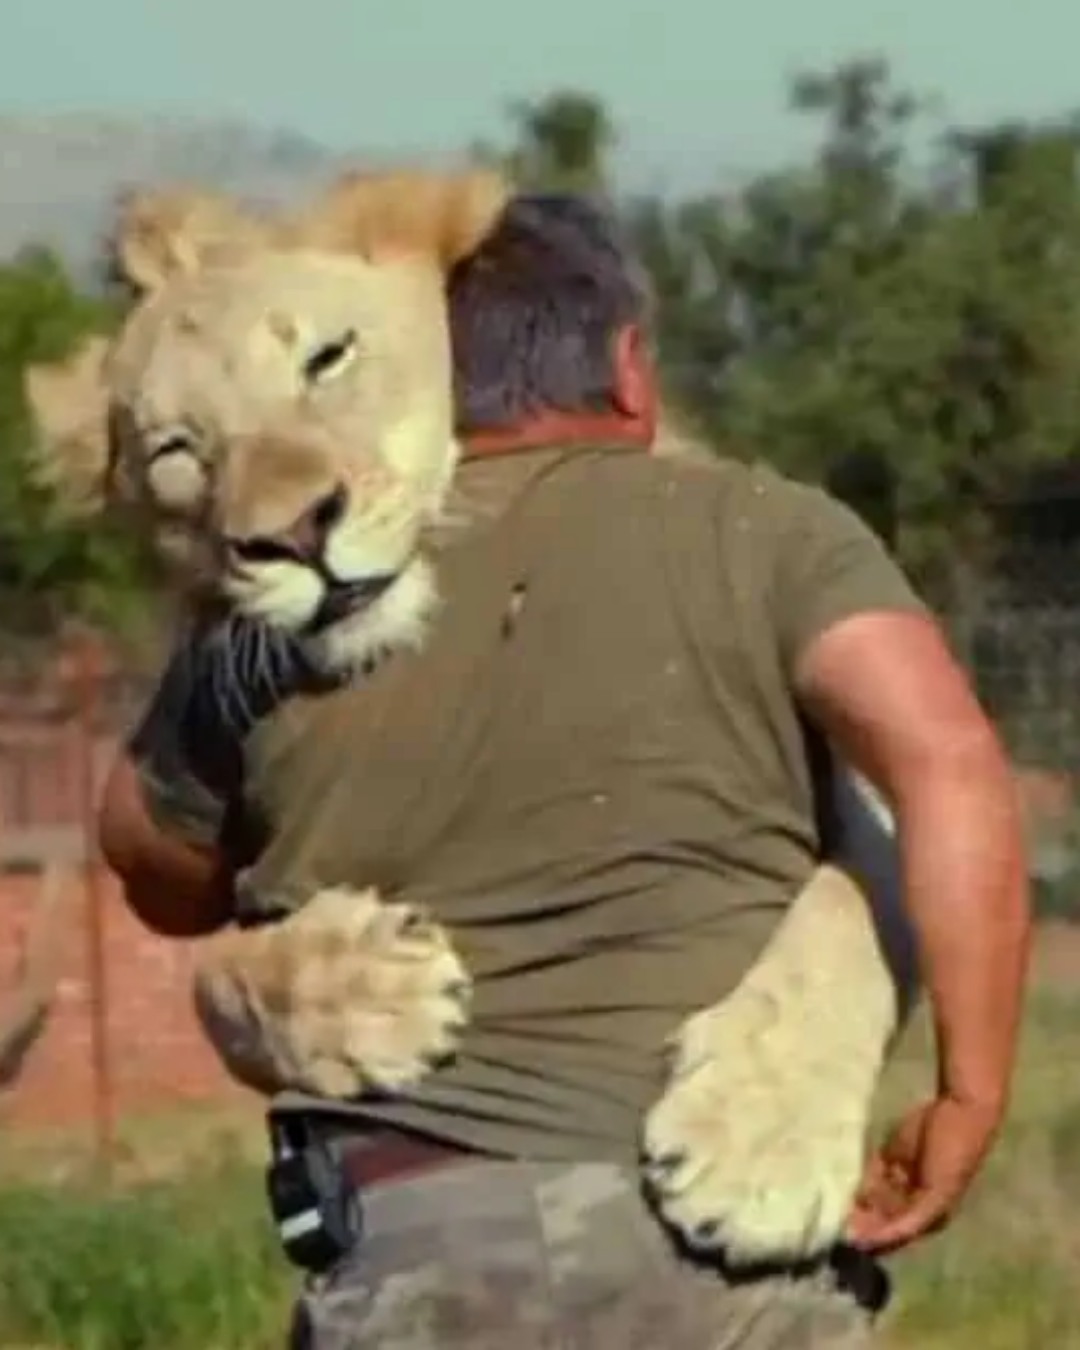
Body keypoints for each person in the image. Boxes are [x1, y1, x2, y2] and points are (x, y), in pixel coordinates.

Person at [95, 185, 1030, 1348]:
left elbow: (148, 866)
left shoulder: (251, 635)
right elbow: (947, 762)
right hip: (727, 1264)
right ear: (633, 370)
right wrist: (971, 1087)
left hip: (414, 1251)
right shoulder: (769, 531)